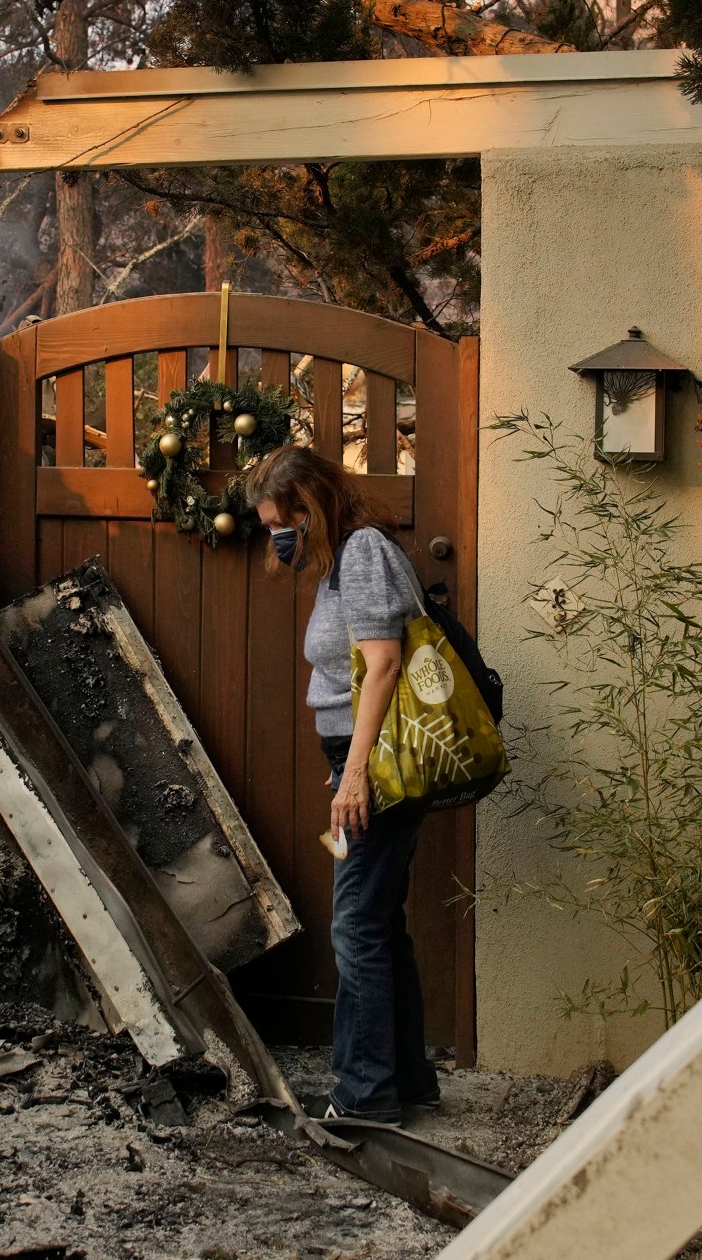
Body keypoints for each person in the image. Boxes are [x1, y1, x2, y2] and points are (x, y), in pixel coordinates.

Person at [247, 444, 440, 1122]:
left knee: (356, 927)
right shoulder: (341, 560)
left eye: (284, 521)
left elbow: (384, 666)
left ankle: (363, 1098)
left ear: (314, 506)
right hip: (361, 757)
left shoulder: (363, 554)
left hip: (377, 761)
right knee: (378, 922)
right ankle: (408, 1080)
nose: (278, 536)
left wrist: (353, 776)